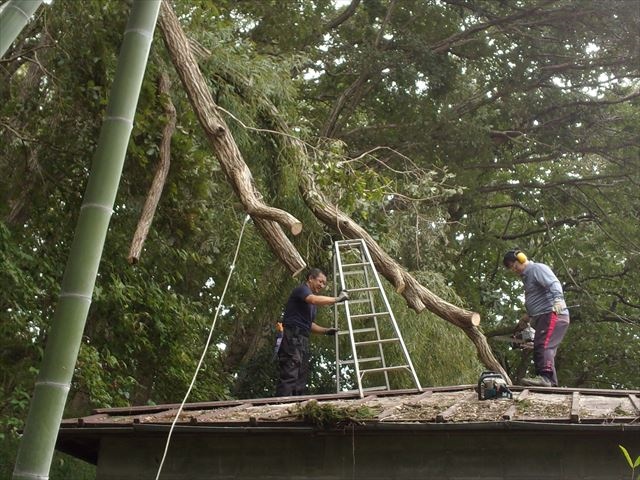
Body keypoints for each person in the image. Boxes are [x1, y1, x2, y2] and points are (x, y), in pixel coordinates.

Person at [275, 268, 348, 397]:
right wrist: (337, 299)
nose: (322, 285)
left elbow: (310, 325)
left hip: (302, 338)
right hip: (292, 336)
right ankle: (280, 404)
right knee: (290, 372)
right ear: (310, 279)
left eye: (324, 283)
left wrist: (326, 331)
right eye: (320, 281)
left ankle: (295, 404)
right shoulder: (303, 290)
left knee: (301, 375)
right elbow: (314, 299)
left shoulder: (312, 306)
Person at [503, 249, 570, 387]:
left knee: (544, 345)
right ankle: (551, 384)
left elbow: (554, 283)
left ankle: (546, 379)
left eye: (514, 266)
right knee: (541, 346)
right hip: (542, 316)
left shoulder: (536, 269)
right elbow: (538, 297)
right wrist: (527, 317)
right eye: (511, 268)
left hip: (552, 313)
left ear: (521, 259)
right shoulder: (527, 277)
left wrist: (558, 300)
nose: (514, 270)